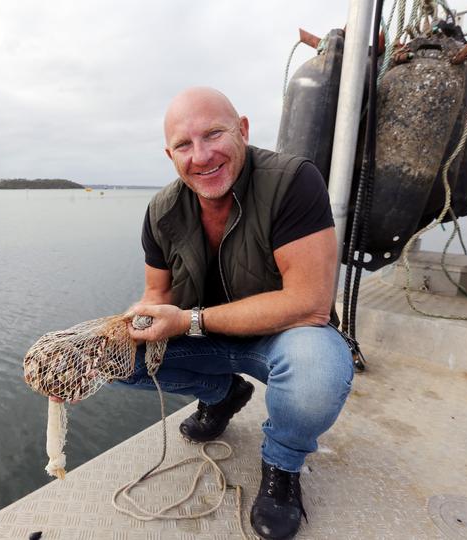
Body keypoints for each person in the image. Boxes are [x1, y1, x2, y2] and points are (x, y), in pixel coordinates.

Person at [120, 87, 354, 540]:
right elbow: (156, 294)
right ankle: (222, 394)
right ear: (169, 154)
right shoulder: (160, 211)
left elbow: (309, 302)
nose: (201, 155)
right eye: (184, 145)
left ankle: (282, 464)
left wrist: (190, 321)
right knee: (112, 360)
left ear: (243, 130)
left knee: (318, 373)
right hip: (207, 337)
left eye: (214, 134)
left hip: (285, 334)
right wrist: (127, 324)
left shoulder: (293, 181)